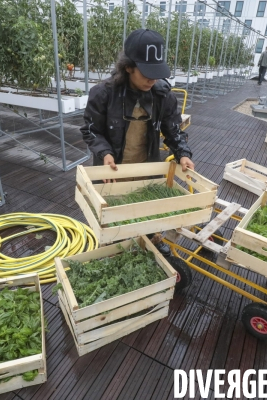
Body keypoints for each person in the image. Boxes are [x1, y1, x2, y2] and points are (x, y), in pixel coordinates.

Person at [81, 28, 194, 255]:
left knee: (146, 210)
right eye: (146, 73)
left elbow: (173, 130)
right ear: (128, 67)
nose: (152, 79)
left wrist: (183, 153)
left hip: (146, 165)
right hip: (112, 169)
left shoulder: (162, 96)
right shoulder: (103, 94)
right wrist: (105, 154)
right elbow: (91, 130)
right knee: (113, 214)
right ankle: (112, 244)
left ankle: (151, 237)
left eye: (157, 73)